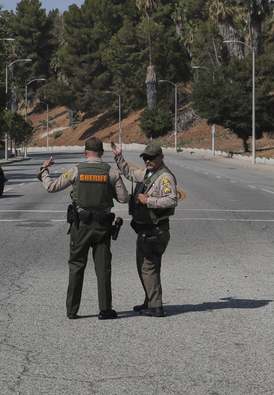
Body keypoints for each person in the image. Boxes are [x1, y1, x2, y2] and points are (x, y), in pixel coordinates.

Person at [38, 136, 129, 320]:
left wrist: (44, 170)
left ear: (85, 152)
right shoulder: (111, 172)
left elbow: (51, 187)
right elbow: (124, 198)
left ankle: (72, 310)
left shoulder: (76, 171)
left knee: (77, 266)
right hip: (103, 226)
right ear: (102, 153)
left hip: (81, 226)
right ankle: (105, 309)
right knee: (103, 267)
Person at [112, 141, 178, 317]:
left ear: (161, 157)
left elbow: (172, 200)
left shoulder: (164, 177)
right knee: (146, 266)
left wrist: (148, 201)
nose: (148, 161)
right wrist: (119, 156)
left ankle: (156, 307)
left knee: (148, 266)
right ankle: (150, 300)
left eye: (151, 158)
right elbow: (131, 174)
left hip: (155, 230)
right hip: (146, 229)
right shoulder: (150, 173)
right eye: (145, 158)